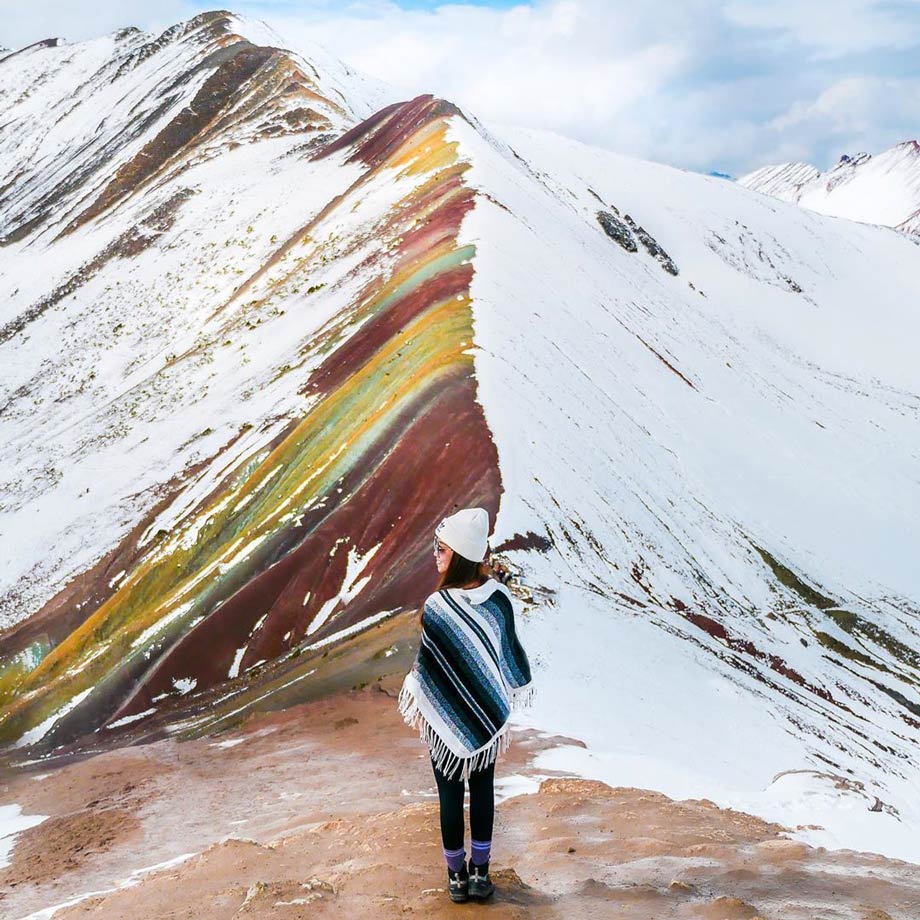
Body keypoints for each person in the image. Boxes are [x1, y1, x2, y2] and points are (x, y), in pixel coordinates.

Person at [397, 507, 534, 903]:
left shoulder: (439, 605)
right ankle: (479, 874)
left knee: (450, 794)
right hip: (484, 716)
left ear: (457, 553)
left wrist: (431, 704)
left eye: (440, 548)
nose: (435, 555)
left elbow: (428, 669)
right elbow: (506, 658)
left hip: (449, 725)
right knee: (483, 788)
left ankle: (456, 879)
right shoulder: (498, 600)